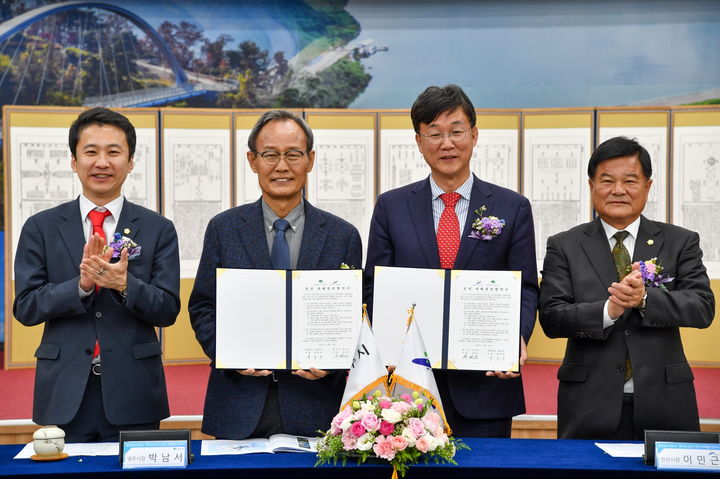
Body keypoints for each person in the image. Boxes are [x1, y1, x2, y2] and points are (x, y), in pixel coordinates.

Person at [363, 85, 539, 438]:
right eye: (435, 133)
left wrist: (513, 339)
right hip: (408, 387)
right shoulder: (391, 206)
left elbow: (525, 288)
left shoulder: (512, 207)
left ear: (474, 136)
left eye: (456, 131)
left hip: (485, 386)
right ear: (419, 141)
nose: (447, 143)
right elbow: (374, 285)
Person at [189, 110, 362, 439]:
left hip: (317, 405)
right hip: (238, 402)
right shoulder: (223, 229)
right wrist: (230, 352)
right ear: (252, 160)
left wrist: (335, 363)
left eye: (293, 154)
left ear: (310, 160)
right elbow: (202, 307)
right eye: (270, 154)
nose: (282, 166)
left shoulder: (343, 236)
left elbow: (355, 315)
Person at [13, 107, 181, 442]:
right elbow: (26, 307)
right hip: (64, 392)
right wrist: (81, 287)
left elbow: (167, 309)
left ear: (131, 162)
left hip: (135, 393)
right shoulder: (41, 227)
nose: (102, 162)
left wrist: (122, 284)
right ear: (74, 161)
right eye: (90, 152)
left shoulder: (157, 228)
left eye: (114, 152)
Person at [539, 136, 715, 440]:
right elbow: (552, 318)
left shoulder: (680, 241)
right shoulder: (564, 245)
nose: (618, 190)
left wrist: (645, 299)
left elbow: (702, 307)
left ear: (647, 186)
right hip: (588, 402)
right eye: (607, 180)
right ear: (591, 185)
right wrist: (609, 310)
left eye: (630, 181)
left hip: (666, 400)